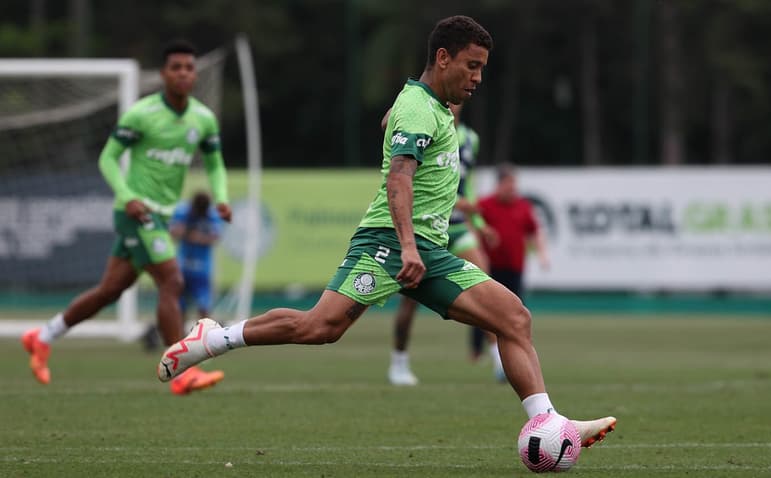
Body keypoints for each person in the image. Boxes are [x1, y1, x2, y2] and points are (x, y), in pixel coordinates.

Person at [157, 16, 615, 447]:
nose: (477, 77)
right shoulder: (420, 107)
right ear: (443, 58)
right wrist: (408, 247)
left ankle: (548, 422)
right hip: (388, 244)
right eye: (471, 66)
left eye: (482, 69)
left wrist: (397, 124)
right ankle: (214, 338)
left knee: (513, 317)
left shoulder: (427, 105)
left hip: (429, 249)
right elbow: (399, 177)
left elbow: (393, 125)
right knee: (320, 327)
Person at [22, 39, 232, 396]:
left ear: (195, 75)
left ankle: (42, 336)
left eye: (189, 67)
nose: (183, 73)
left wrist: (222, 198)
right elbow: (107, 158)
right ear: (164, 74)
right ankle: (181, 371)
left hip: (161, 216)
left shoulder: (202, 118)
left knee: (110, 291)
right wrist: (127, 196)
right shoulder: (142, 114)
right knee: (172, 281)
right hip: (136, 212)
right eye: (176, 67)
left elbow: (213, 162)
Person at [384, 102, 504, 386]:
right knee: (409, 302)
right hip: (426, 229)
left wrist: (480, 225)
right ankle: (398, 361)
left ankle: (499, 359)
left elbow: (467, 186)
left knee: (486, 287)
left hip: (458, 228)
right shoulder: (424, 128)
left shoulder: (470, 139)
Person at [140, 190, 224, 351]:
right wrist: (189, 233)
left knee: (204, 306)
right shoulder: (183, 211)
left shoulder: (212, 215)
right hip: (182, 267)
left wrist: (193, 236)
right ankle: (179, 341)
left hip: (202, 268)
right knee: (180, 306)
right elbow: (173, 232)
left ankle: (207, 341)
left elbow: (215, 237)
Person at [478, 163, 550, 300]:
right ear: (499, 184)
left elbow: (534, 231)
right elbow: (474, 230)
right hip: (490, 267)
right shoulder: (484, 205)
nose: (512, 187)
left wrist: (542, 254)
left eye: (514, 182)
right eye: (508, 183)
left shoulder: (523, 206)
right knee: (490, 305)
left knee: (515, 304)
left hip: (514, 267)